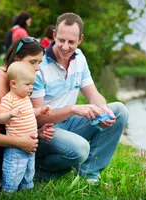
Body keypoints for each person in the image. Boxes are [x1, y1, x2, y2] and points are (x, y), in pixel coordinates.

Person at [31, 12, 129, 185]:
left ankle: (89, 173)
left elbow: (93, 94)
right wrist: (73, 109)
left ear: (80, 40)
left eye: (71, 42)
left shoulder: (80, 58)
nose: (65, 47)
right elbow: (37, 117)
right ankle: (38, 170)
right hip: (44, 131)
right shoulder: (40, 66)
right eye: (61, 40)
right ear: (54, 35)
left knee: (119, 111)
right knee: (80, 149)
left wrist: (104, 110)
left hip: (68, 124)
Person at [0, 37, 54, 191]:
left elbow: (13, 123)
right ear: (17, 59)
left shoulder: (20, 86)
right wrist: (18, 142)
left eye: (40, 62)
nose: (37, 68)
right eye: (32, 62)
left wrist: (37, 133)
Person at [0, 61, 51, 193]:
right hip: (16, 145)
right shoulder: (8, 99)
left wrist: (40, 111)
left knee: (28, 167)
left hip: (30, 143)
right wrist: (9, 114)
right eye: (27, 84)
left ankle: (26, 187)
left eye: (32, 84)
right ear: (13, 84)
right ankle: (9, 190)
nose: (31, 87)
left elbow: (29, 112)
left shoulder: (25, 98)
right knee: (14, 168)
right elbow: (0, 118)